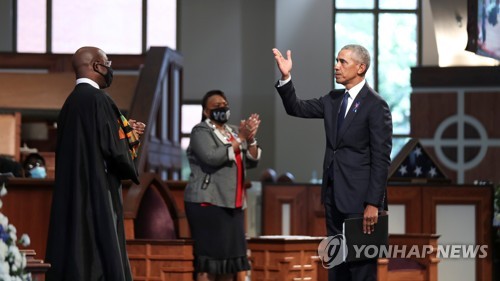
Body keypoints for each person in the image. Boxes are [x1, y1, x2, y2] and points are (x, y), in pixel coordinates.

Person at [272, 44, 392, 281]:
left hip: (361, 203)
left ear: (361, 67)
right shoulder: (333, 99)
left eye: (342, 62)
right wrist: (286, 77)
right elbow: (296, 107)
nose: (336, 67)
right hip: (334, 196)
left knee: (361, 269)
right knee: (337, 266)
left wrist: (373, 204)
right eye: (336, 61)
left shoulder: (376, 105)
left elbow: (381, 158)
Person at [45, 46, 146, 281]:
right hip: (96, 190)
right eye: (107, 63)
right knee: (99, 252)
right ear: (95, 66)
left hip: (72, 192)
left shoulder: (70, 103)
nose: (109, 68)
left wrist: (123, 130)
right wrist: (131, 141)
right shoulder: (100, 100)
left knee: (75, 248)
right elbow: (115, 151)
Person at [184, 90, 262, 281]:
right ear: (205, 111)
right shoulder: (200, 131)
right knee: (210, 260)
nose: (222, 108)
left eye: (224, 104)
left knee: (229, 261)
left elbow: (252, 160)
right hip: (208, 203)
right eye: (217, 106)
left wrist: (250, 138)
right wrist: (241, 139)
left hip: (232, 204)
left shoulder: (233, 131)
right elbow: (211, 157)